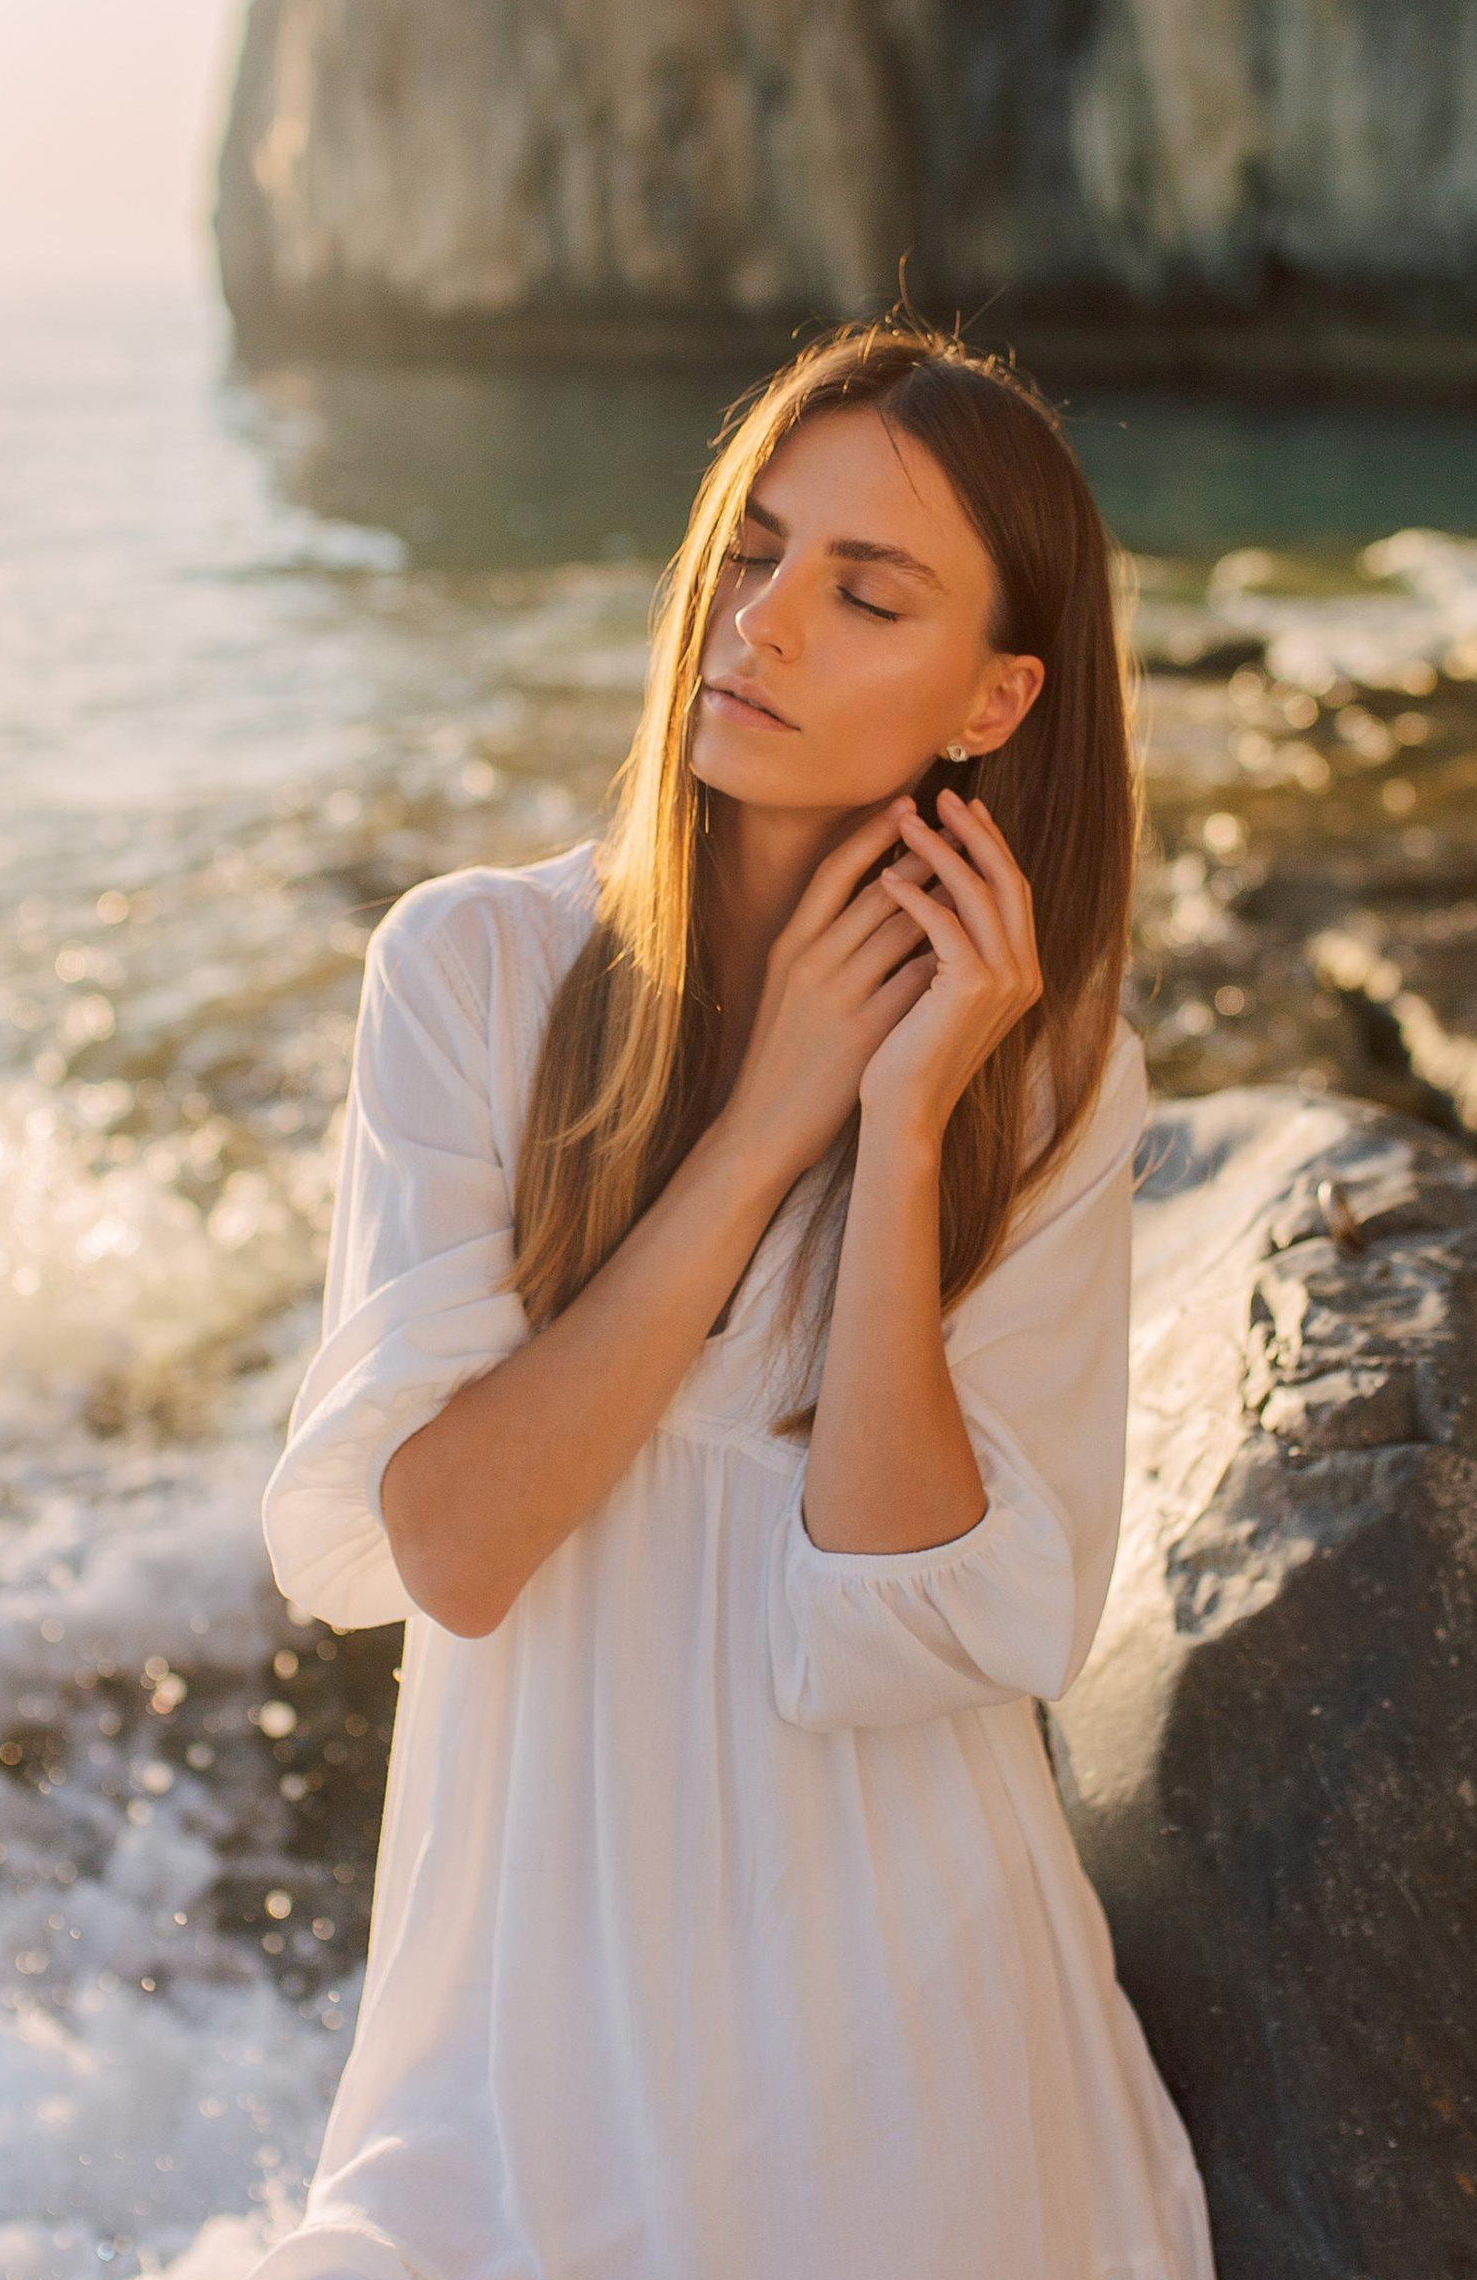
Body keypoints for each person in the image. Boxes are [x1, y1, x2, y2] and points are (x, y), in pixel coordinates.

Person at [246, 311, 1217, 2279]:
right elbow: (452, 1538)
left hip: (901, 2044)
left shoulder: (1033, 1076)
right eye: (752, 547)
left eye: (863, 593)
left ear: (990, 695)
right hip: (521, 2040)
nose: (757, 620)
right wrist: (764, 1121)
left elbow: (893, 1615)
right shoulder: (474, 977)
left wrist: (901, 1115)